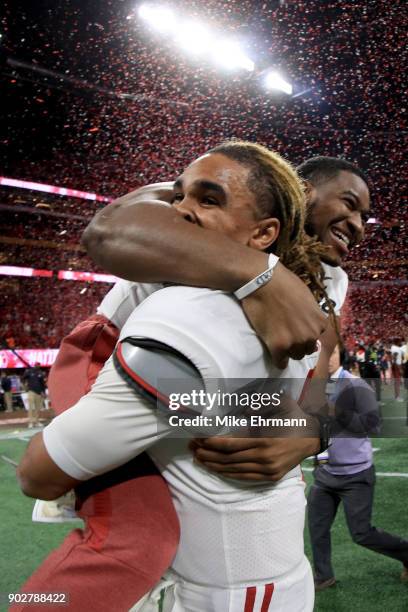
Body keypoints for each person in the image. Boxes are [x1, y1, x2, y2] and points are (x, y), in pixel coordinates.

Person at [14, 151, 370, 612]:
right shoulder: (204, 207)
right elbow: (107, 232)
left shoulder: (328, 276)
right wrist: (260, 274)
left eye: (365, 213)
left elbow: (320, 357)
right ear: (301, 194)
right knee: (138, 535)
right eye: (348, 203)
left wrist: (311, 429)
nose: (358, 223)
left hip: (165, 374)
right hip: (104, 354)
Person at [307, 344, 408, 591]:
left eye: (330, 353)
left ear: (339, 354)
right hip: (325, 474)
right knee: (317, 528)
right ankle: (323, 576)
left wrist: (337, 412)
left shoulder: (356, 386)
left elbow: (372, 426)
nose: (326, 359)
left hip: (356, 475)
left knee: (362, 533)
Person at [22, 364, 46, 428]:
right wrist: (28, 371)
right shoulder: (29, 372)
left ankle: (37, 422)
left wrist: (43, 392)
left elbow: (42, 384)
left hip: (38, 392)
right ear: (34, 365)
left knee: (37, 408)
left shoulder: (40, 373)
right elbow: (23, 378)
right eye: (36, 365)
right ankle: (30, 422)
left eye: (38, 365)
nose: (37, 366)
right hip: (31, 391)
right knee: (30, 407)